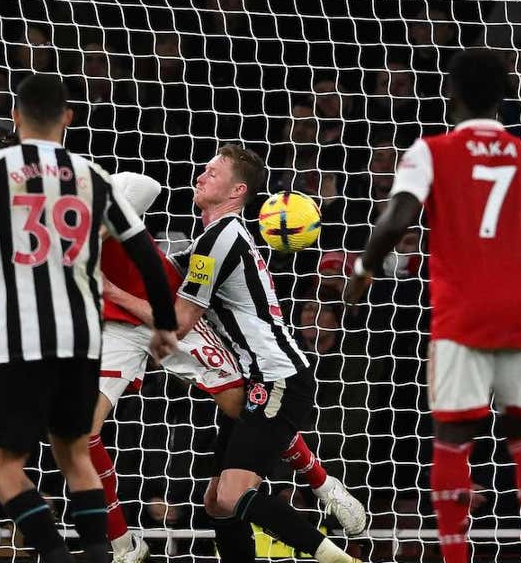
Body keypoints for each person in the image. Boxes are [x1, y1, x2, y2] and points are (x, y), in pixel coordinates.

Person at [345, 48, 521, 563]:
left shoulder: (430, 151)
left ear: (451, 94)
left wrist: (364, 271)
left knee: (454, 437)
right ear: (505, 98)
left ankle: (456, 557)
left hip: (462, 317)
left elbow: (396, 221)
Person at [0, 74, 178, 563]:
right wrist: (166, 323)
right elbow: (147, 257)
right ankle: (98, 555)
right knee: (75, 456)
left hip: (24, 336)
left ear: (15, 118)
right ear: (67, 118)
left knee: (1, 465)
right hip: (82, 337)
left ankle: (53, 554)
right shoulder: (93, 176)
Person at [97, 172, 367, 561]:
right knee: (216, 503)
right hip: (259, 375)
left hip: (278, 377)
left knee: (232, 495)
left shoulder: (221, 238)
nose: (201, 175)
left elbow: (177, 320)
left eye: (214, 171)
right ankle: (324, 485)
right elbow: (181, 269)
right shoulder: (214, 239)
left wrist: (113, 291)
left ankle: (334, 554)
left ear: (238, 190)